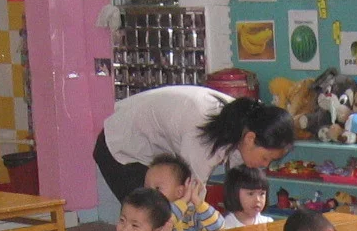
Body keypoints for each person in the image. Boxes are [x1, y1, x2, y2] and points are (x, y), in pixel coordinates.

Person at [95, 85, 295, 206]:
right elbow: (191, 197)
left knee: (156, 217)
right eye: (265, 158)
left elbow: (237, 175)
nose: (264, 165)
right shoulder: (203, 133)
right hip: (121, 147)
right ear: (251, 138)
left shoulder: (242, 122)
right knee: (147, 216)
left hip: (152, 150)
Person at [145, 153, 224, 231]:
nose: (150, 193)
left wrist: (198, 202)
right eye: (146, 188)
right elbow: (162, 221)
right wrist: (184, 200)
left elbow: (217, 228)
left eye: (157, 188)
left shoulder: (191, 216)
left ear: (179, 192)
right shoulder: (145, 216)